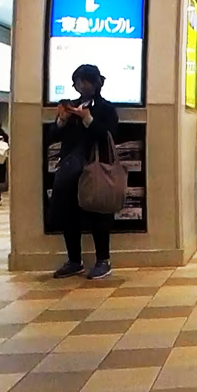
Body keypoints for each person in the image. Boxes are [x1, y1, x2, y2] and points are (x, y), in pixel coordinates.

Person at [50, 64, 119, 280]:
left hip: (95, 168)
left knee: (99, 212)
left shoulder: (106, 108)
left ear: (96, 82)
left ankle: (103, 260)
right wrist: (62, 119)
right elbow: (52, 136)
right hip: (70, 168)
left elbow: (108, 135)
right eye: (78, 82)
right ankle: (74, 260)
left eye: (85, 81)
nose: (81, 86)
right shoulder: (72, 107)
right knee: (68, 213)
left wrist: (88, 119)